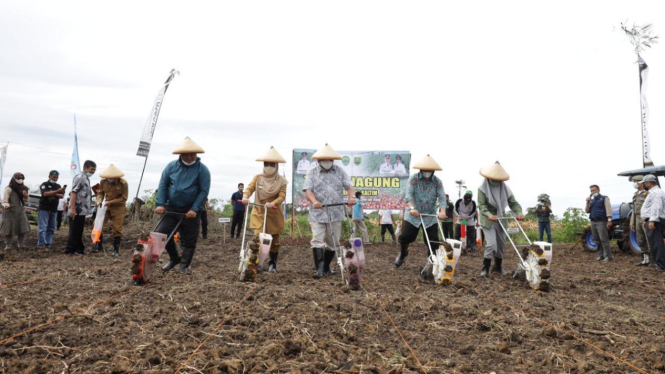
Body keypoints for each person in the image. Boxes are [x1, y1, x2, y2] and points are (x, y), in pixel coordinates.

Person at [154, 137, 210, 274]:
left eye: (193, 154)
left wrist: (194, 209)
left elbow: (203, 191)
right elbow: (163, 185)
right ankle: (174, 258)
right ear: (181, 155)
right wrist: (161, 204)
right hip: (172, 208)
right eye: (187, 154)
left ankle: (184, 266)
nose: (190, 157)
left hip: (191, 210)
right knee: (162, 234)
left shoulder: (202, 170)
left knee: (189, 239)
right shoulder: (171, 167)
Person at [304, 144, 356, 279]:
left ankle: (326, 266)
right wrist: (314, 201)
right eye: (324, 159)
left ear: (333, 160)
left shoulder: (340, 171)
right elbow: (308, 191)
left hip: (336, 212)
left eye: (329, 159)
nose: (327, 162)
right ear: (318, 160)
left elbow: (350, 187)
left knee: (333, 242)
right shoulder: (312, 173)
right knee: (317, 240)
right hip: (318, 212)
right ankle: (319, 269)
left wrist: (351, 197)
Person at [395, 155, 447, 271]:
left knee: (433, 241)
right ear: (421, 170)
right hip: (414, 214)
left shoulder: (437, 182)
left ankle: (431, 265)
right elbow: (408, 195)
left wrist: (442, 211)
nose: (427, 172)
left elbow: (442, 197)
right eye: (425, 170)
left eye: (429, 170)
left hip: (430, 215)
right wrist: (412, 208)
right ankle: (403, 254)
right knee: (405, 237)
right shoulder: (413, 179)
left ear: (433, 171)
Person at [242, 146, 288, 272]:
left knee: (274, 241)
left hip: (273, 212)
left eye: (271, 164)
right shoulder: (258, 178)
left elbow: (282, 196)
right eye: (266, 164)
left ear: (276, 165)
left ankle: (272, 263)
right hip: (259, 212)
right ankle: (257, 262)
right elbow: (250, 188)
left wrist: (273, 202)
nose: (269, 166)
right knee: (258, 238)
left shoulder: (282, 181)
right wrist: (245, 197)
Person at [477, 161, 524, 277]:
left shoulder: (505, 189)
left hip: (501, 218)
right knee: (491, 244)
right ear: (488, 178)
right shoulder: (482, 189)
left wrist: (519, 213)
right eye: (493, 179)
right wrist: (489, 215)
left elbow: (514, 203)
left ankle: (497, 267)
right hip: (487, 220)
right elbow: (482, 206)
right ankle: (485, 268)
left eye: (498, 179)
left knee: (501, 245)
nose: (495, 181)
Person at [94, 164, 128, 257]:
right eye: (108, 178)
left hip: (118, 207)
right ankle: (98, 246)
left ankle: (116, 249)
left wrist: (111, 202)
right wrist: (99, 200)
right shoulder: (103, 182)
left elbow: (124, 198)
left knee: (117, 228)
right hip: (105, 206)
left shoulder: (123, 183)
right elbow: (100, 193)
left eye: (111, 178)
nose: (109, 179)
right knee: (98, 225)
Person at [65, 160, 97, 255]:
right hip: (77, 209)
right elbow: (74, 193)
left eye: (94, 170)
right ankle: (70, 250)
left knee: (79, 230)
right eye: (91, 170)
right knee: (74, 231)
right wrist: (73, 209)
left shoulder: (86, 179)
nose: (92, 172)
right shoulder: (80, 178)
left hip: (83, 210)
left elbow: (83, 195)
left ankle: (79, 249)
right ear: (85, 168)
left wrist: (94, 195)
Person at [640, 175, 665, 270]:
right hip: (651, 219)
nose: (644, 185)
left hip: (655, 220)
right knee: (653, 242)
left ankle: (661, 264)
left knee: (657, 242)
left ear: (648, 183)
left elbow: (656, 207)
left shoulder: (656, 193)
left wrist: (652, 220)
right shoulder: (653, 192)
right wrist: (646, 220)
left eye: (644, 183)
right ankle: (656, 261)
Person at [1, 172, 30, 249]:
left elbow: (26, 201)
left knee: (22, 226)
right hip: (10, 210)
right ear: (14, 179)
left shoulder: (24, 188)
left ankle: (21, 243)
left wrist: (26, 196)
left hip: (20, 209)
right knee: (8, 228)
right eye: (18, 178)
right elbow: (5, 201)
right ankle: (8, 244)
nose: (20, 180)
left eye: (22, 178)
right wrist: (6, 206)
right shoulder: (9, 188)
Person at [585, 184, 612, 262]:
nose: (593, 192)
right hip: (593, 221)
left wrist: (609, 220)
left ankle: (608, 256)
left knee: (604, 239)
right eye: (591, 191)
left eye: (594, 190)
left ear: (598, 190)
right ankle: (600, 255)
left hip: (601, 221)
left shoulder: (604, 198)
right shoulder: (592, 201)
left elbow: (608, 209)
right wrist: (587, 202)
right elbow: (587, 211)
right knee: (596, 239)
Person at [38, 170, 65, 249]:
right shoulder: (44, 184)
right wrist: (57, 192)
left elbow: (61, 196)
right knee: (42, 227)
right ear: (49, 176)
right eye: (54, 177)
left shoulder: (58, 185)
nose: (55, 178)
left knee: (51, 228)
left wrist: (53, 193)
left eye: (57, 177)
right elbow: (45, 194)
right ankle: (41, 244)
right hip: (44, 208)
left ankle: (48, 243)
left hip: (54, 209)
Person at [630, 175, 650, 266]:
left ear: (640, 182)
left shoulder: (648, 194)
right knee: (640, 239)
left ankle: (654, 259)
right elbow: (634, 210)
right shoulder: (636, 194)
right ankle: (645, 259)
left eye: (635, 182)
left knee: (649, 238)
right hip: (637, 219)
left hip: (646, 218)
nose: (634, 184)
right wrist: (632, 222)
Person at [454, 190, 479, 255]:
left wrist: (469, 216)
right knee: (457, 235)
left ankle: (473, 249)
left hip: (469, 221)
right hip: (461, 220)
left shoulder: (473, 203)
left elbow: (474, 212)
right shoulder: (459, 201)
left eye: (468, 202)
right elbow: (455, 209)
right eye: (466, 202)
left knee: (471, 235)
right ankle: (457, 250)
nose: (467, 203)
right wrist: (458, 216)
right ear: (463, 199)